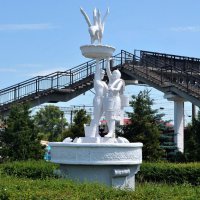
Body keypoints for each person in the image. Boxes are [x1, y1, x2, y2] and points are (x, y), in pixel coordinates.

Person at [104, 58, 125, 138]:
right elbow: (108, 70)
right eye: (113, 73)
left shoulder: (119, 81)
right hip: (108, 100)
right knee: (108, 116)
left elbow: (118, 89)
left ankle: (111, 132)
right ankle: (111, 132)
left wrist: (113, 89)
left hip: (115, 100)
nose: (113, 75)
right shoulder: (111, 80)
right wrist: (107, 61)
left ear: (118, 75)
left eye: (115, 74)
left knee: (112, 116)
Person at [87, 59, 108, 137]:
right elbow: (96, 72)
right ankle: (94, 134)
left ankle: (95, 133)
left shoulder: (103, 83)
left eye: (103, 73)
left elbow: (108, 91)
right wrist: (97, 61)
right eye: (101, 73)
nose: (102, 75)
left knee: (99, 117)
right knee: (96, 117)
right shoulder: (97, 81)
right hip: (98, 99)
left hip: (103, 100)